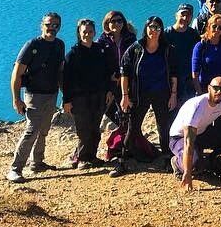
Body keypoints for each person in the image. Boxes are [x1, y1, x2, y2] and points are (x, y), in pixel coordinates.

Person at [115, 16, 177, 177]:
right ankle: (122, 161)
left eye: (157, 27)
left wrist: (173, 95)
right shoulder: (136, 48)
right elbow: (125, 73)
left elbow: (174, 74)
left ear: (161, 30)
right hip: (139, 94)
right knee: (133, 127)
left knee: (164, 128)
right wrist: (125, 96)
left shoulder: (167, 49)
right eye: (151, 27)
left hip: (162, 94)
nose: (154, 31)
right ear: (146, 28)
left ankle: (167, 159)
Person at [7, 12, 66, 183]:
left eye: (56, 25)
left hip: (51, 94)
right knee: (31, 130)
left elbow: (60, 72)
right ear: (42, 25)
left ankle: (37, 162)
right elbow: (16, 74)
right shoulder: (32, 45)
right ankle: (15, 168)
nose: (52, 28)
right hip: (34, 95)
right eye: (49, 24)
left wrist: (64, 94)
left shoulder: (59, 45)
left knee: (44, 130)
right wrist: (16, 99)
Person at [169, 78, 221, 191]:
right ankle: (177, 162)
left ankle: (213, 161)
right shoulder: (197, 106)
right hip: (179, 137)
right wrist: (187, 172)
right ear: (209, 88)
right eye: (216, 88)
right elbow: (188, 142)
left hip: (201, 133)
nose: (219, 92)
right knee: (194, 165)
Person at [61, 18, 113, 169]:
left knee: (95, 128)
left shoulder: (99, 50)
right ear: (79, 33)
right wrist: (67, 100)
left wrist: (109, 90)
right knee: (83, 129)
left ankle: (92, 156)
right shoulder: (72, 54)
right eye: (84, 32)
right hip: (80, 98)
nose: (88, 34)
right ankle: (83, 158)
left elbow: (106, 72)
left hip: (99, 95)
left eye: (90, 32)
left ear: (94, 32)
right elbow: (66, 80)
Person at [98, 9, 135, 124]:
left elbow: (135, 60)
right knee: (108, 109)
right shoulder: (102, 41)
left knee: (127, 110)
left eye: (119, 21)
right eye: (113, 21)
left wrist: (123, 75)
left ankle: (128, 136)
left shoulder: (130, 39)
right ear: (107, 24)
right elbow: (100, 63)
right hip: (110, 81)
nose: (117, 24)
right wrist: (110, 78)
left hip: (128, 80)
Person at [191, 13, 221, 100]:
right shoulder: (201, 46)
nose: (217, 30)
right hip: (206, 90)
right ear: (208, 26)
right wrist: (200, 94)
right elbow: (195, 73)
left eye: (220, 28)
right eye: (214, 26)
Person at [164, 4, 200, 104]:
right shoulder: (166, 34)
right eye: (182, 14)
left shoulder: (194, 35)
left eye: (188, 15)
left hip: (189, 82)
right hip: (170, 81)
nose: (185, 18)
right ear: (176, 15)